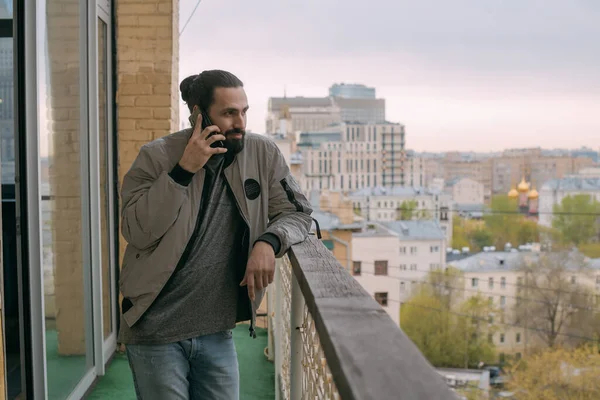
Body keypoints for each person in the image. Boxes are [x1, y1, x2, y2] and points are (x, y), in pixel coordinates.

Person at [118, 70, 313, 400]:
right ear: (198, 114)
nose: (239, 123)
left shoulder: (261, 154)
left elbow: (297, 213)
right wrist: (183, 171)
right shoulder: (156, 156)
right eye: (228, 113)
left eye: (244, 112)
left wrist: (269, 241)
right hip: (155, 329)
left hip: (216, 330)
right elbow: (137, 231)